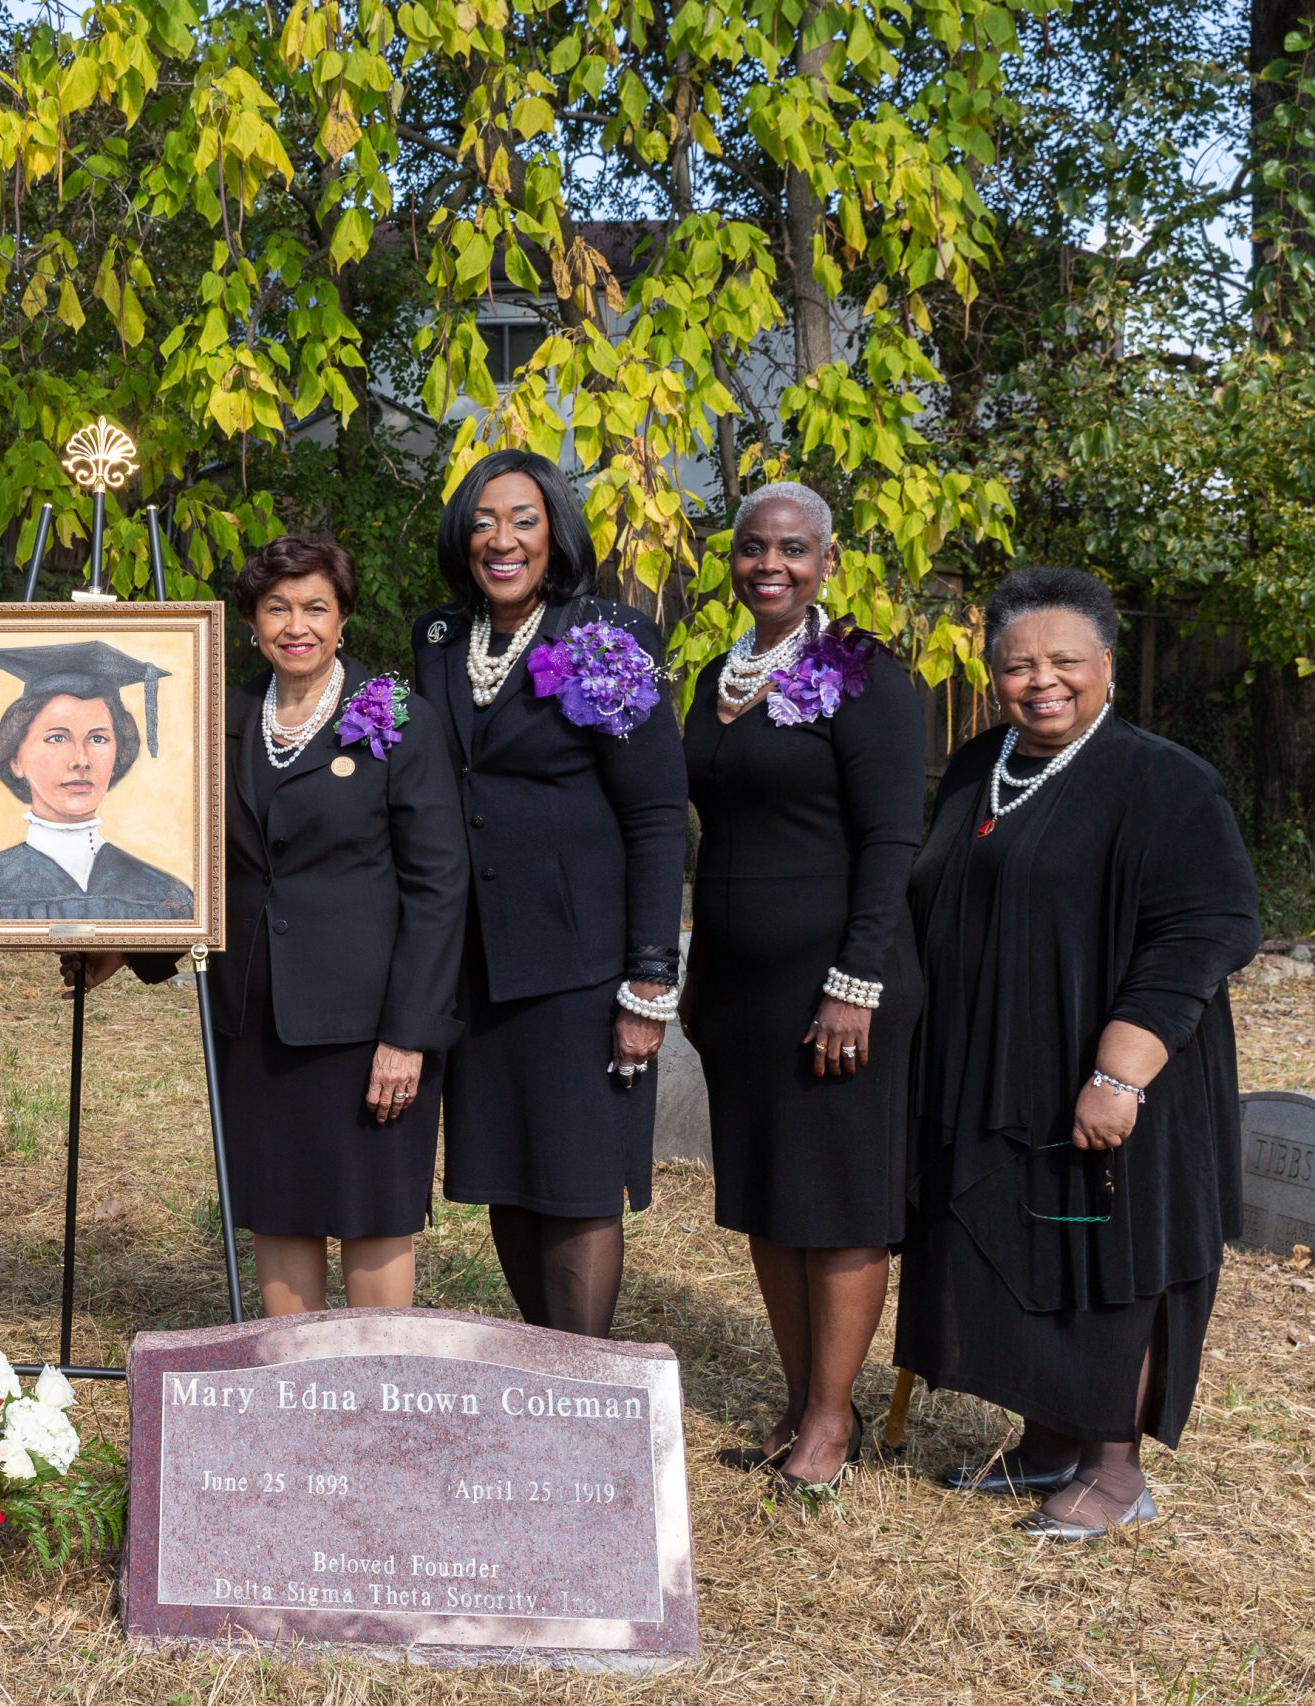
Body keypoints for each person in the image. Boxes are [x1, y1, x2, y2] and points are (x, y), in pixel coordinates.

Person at [898, 565, 1258, 1540]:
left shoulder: (1164, 781)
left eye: (1065, 661)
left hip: (1115, 1076)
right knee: (1026, 1248)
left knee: (1105, 1259)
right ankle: (1049, 1438)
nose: (1041, 681)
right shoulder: (979, 764)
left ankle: (1113, 1467)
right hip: (998, 1067)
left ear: (1108, 666)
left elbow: (1209, 927)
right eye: (1018, 666)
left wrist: (1118, 1069)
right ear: (991, 675)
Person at [68, 536, 467, 1314]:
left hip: (368, 1026)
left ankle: (375, 1384)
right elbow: (192, 858)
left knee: (373, 1211)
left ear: (343, 619)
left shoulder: (398, 720)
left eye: (316, 607)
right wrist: (128, 946)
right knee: (278, 1206)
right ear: (251, 623)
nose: (297, 625)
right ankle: (294, 1381)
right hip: (252, 1016)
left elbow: (439, 887)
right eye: (277, 608)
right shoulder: (222, 716)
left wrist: (409, 1034)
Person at [410, 448, 687, 1339]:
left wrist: (649, 979)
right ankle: (543, 1373)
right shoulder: (439, 640)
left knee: (575, 1183)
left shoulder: (607, 638)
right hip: (479, 967)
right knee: (507, 1174)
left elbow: (656, 818)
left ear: (555, 533)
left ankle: (586, 1379)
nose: (503, 540)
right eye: (484, 521)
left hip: (580, 967)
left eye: (523, 521)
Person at [681, 483, 925, 1491]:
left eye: (791, 548)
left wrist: (854, 980)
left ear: (826, 561)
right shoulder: (715, 675)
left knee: (838, 1201)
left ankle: (832, 1418)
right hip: (739, 987)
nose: (769, 565)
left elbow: (892, 838)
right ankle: (799, 1397)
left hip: (837, 984)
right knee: (770, 1198)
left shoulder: (865, 674)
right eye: (751, 547)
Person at [0, 641, 195, 920]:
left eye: (98, 739)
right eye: (57, 738)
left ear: (118, 756)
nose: (81, 760)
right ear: (16, 759)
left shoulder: (165, 897)